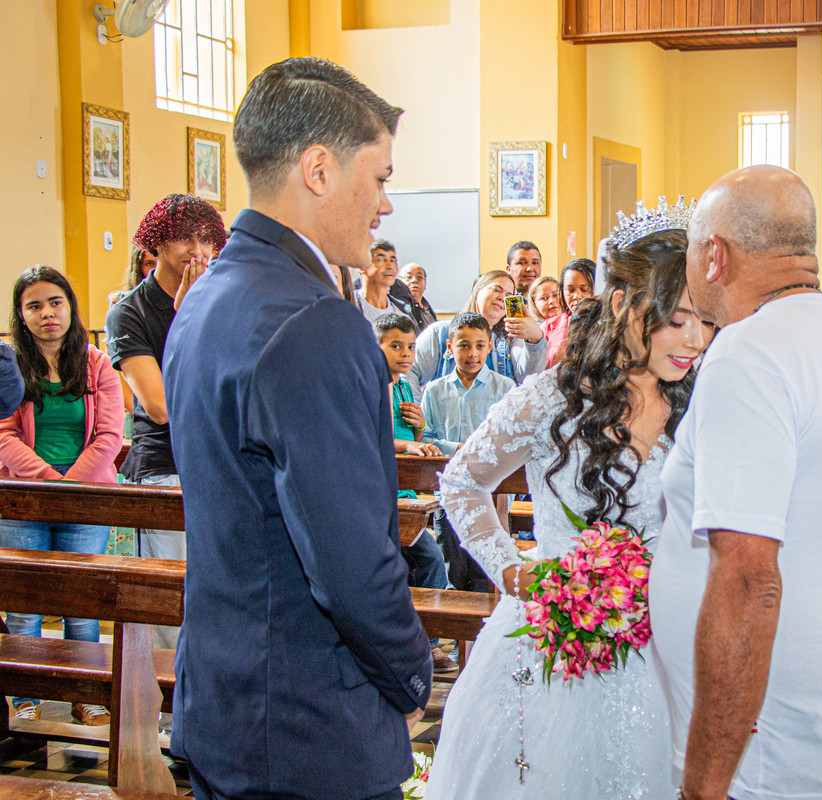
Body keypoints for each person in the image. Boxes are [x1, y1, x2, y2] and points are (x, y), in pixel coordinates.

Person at [160, 57, 432, 800]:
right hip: (308, 727)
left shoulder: (205, 298)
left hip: (224, 705)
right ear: (318, 169)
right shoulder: (315, 323)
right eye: (378, 177)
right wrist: (412, 676)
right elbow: (349, 559)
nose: (385, 204)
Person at [652, 166, 822, 800]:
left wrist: (704, 786)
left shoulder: (748, 354)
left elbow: (748, 579)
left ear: (714, 255)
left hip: (781, 749)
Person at [425, 221, 713, 799]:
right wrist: (511, 570)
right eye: (678, 319)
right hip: (555, 643)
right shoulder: (551, 397)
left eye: (707, 321)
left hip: (670, 644)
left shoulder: (703, 400)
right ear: (621, 304)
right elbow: (461, 482)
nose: (696, 340)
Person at [0, 266, 123, 726]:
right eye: (34, 306)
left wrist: (71, 486)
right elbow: (4, 433)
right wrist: (47, 480)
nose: (47, 313)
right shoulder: (10, 364)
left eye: (55, 302)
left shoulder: (96, 363)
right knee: (24, 603)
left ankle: (85, 694)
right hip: (23, 498)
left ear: (70, 306)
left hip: (86, 499)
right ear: (21, 314)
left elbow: (110, 435)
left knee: (83, 604)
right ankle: (25, 696)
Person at [105, 193, 225, 662]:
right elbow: (160, 407)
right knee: (168, 607)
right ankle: (170, 700)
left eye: (206, 239)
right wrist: (185, 317)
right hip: (164, 469)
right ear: (156, 244)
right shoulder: (129, 311)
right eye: (185, 238)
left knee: (219, 600)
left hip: (220, 467)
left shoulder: (220, 303)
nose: (198, 250)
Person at [374, 312, 456, 673]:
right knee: (419, 562)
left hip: (407, 493)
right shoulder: (371, 387)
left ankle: (428, 643)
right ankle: (409, 646)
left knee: (425, 562)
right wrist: (407, 446)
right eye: (395, 346)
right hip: (381, 494)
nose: (405, 354)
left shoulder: (406, 388)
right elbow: (369, 435)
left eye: (409, 347)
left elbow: (413, 437)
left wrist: (420, 431)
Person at [420, 311, 517, 592]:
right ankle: (457, 620)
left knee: (488, 575)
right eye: (463, 345)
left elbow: (510, 440)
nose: (472, 353)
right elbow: (426, 438)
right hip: (448, 496)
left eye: (479, 345)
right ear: (450, 348)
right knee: (455, 573)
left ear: (489, 346)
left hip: (492, 495)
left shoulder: (505, 388)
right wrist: (458, 448)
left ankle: (487, 620)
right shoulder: (434, 391)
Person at [410, 270, 546, 387]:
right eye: (497, 290)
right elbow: (410, 370)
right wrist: (413, 406)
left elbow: (528, 378)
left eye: (508, 296)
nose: (501, 298)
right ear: (477, 291)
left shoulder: (511, 337)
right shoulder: (440, 333)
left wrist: (535, 340)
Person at [542, 258, 596, 367]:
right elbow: (536, 367)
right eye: (570, 290)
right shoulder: (548, 326)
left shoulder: (608, 324)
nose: (577, 296)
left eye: (584, 289)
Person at [357, 238, 413, 326]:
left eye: (392, 260)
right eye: (381, 260)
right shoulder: (350, 306)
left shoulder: (402, 311)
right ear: (362, 266)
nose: (390, 266)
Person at [399, 262, 438, 330]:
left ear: (425, 283)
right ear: (400, 282)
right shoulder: (398, 308)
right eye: (409, 277)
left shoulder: (427, 308)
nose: (414, 280)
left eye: (419, 277)